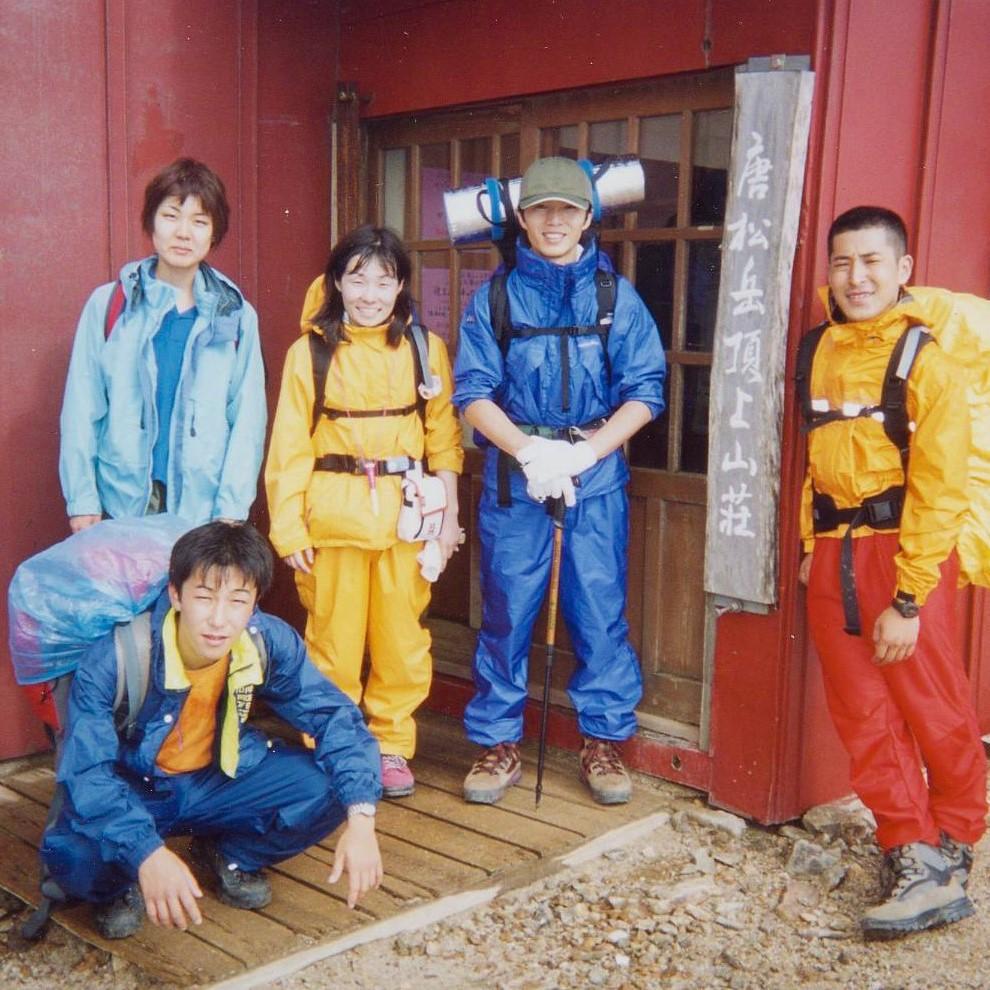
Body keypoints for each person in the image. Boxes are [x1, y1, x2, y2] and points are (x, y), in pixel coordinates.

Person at [40, 521, 383, 940]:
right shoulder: (116, 658)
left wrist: (363, 818)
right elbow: (87, 773)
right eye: (204, 597)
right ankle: (118, 885)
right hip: (138, 790)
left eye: (238, 600)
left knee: (334, 787)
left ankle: (228, 855)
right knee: (72, 858)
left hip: (218, 777)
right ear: (175, 594)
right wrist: (146, 854)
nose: (219, 619)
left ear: (254, 602)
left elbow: (335, 719)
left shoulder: (267, 641)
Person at [797, 205, 987, 939]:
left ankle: (958, 839)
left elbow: (940, 487)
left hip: (905, 555)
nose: (857, 277)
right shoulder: (819, 349)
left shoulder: (926, 361)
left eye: (873, 261)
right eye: (843, 263)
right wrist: (814, 543)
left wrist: (909, 596)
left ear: (903, 270)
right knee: (862, 716)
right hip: (834, 555)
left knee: (933, 707)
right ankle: (910, 850)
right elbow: (811, 462)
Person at [453, 157, 666, 806]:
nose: (554, 221)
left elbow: (646, 390)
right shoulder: (493, 296)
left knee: (599, 609)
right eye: (541, 209)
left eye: (567, 211)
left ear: (587, 217)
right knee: (507, 611)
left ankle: (602, 741)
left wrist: (584, 453)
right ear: (521, 217)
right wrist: (529, 452)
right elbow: (472, 393)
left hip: (593, 479)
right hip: (516, 480)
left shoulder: (614, 296)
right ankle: (497, 741)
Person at [266, 226, 463, 799]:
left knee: (403, 638)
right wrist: (288, 527)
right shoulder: (310, 352)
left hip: (407, 521)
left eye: (383, 279)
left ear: (401, 284)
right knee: (333, 640)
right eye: (357, 278)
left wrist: (448, 520)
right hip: (333, 519)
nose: (370, 293)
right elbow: (289, 447)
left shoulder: (426, 348)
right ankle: (334, 744)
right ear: (337, 283)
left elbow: (443, 438)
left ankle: (392, 744)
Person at [59, 158, 266, 530]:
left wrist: (232, 510)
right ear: (151, 223)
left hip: (202, 510)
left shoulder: (234, 314)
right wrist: (82, 499)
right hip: (120, 503)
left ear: (214, 233)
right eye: (171, 216)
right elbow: (81, 406)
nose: (183, 233)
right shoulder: (111, 304)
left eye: (199, 222)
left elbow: (247, 418)